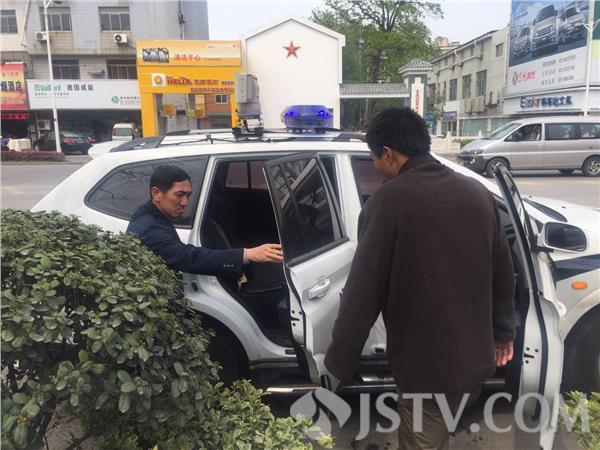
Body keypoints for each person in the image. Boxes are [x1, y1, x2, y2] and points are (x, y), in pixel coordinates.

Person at [323, 108, 515, 449]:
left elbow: (362, 293)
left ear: (388, 153)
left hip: (427, 370)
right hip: (474, 362)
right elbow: (503, 272)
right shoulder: (477, 192)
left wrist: (340, 361)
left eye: (373, 157)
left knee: (422, 439)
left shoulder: (389, 201)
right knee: (431, 430)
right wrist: (503, 333)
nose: (374, 165)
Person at [127, 165, 283, 277]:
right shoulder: (148, 229)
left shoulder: (151, 213)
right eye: (179, 195)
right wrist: (247, 254)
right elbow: (190, 258)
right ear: (156, 194)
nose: (185, 202)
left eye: (188, 195)